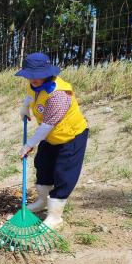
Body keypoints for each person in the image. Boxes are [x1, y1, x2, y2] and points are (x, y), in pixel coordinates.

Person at [15, 53, 89, 230]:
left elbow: (47, 125)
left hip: (71, 137)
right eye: (29, 75)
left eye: (35, 75)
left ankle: (55, 217)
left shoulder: (59, 95)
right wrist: (25, 107)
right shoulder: (35, 84)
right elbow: (31, 95)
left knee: (64, 173)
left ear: (46, 72)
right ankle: (42, 201)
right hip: (51, 137)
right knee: (43, 164)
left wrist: (29, 145)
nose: (31, 79)